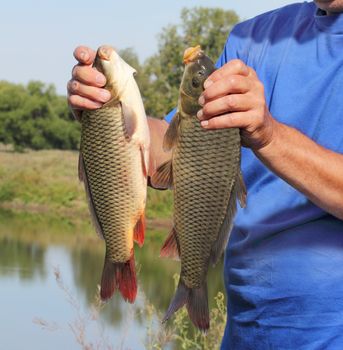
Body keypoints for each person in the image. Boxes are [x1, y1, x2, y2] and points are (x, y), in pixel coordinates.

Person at [67, 0, 343, 348]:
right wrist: (105, 116)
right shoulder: (253, 38)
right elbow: (177, 152)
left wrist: (268, 135)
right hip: (250, 327)